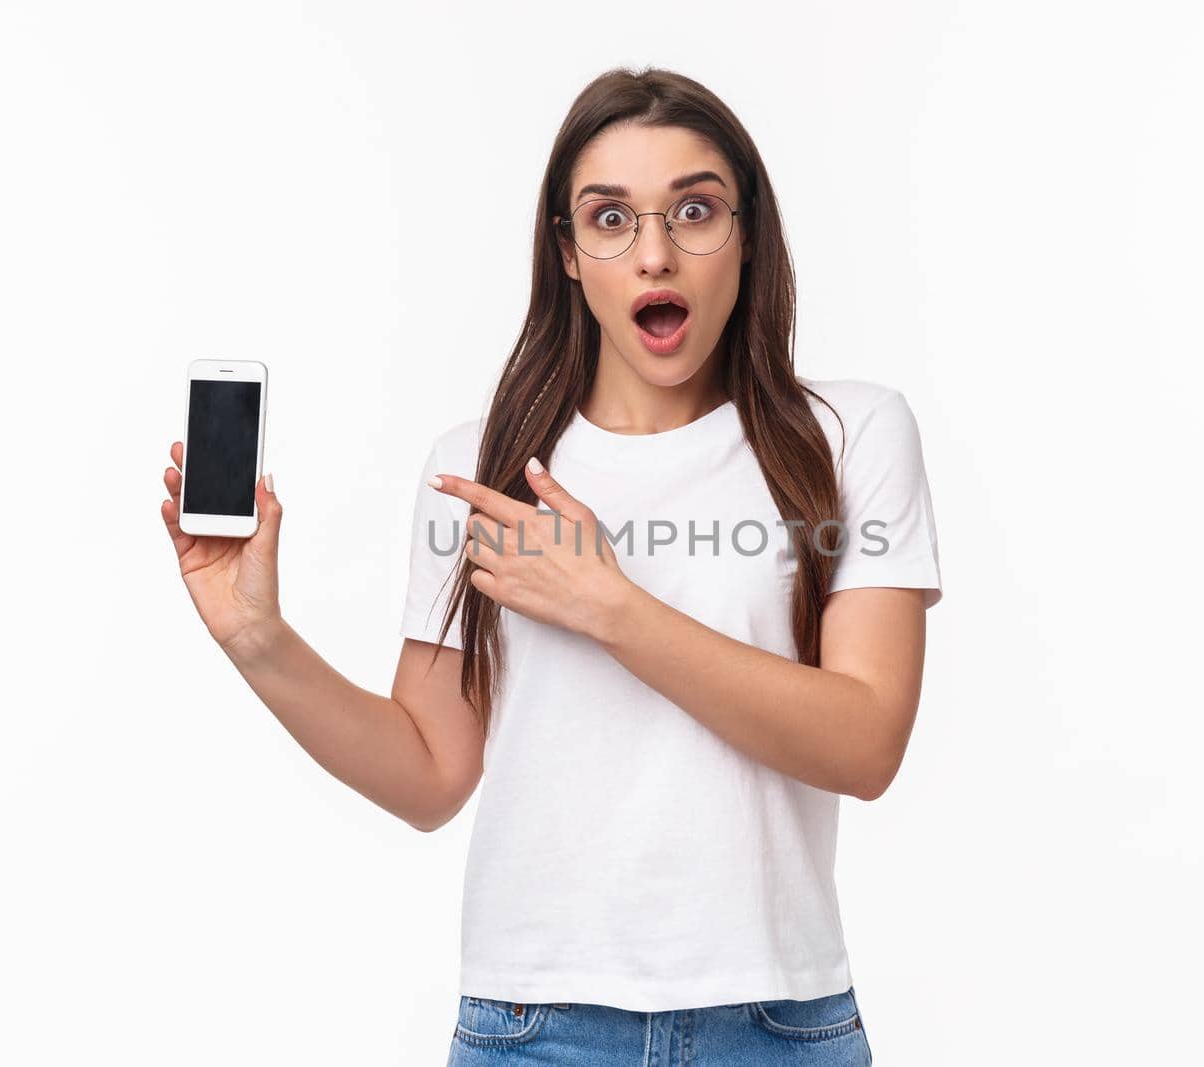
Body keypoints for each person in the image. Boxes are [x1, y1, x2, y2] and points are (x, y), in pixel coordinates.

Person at [160, 66, 942, 1066]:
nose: (654, 253)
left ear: (746, 231)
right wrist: (256, 635)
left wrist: (611, 605)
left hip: (777, 1023)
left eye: (694, 210)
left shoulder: (849, 435)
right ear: (567, 252)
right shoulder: (474, 465)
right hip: (531, 1029)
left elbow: (866, 741)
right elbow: (431, 774)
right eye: (610, 218)